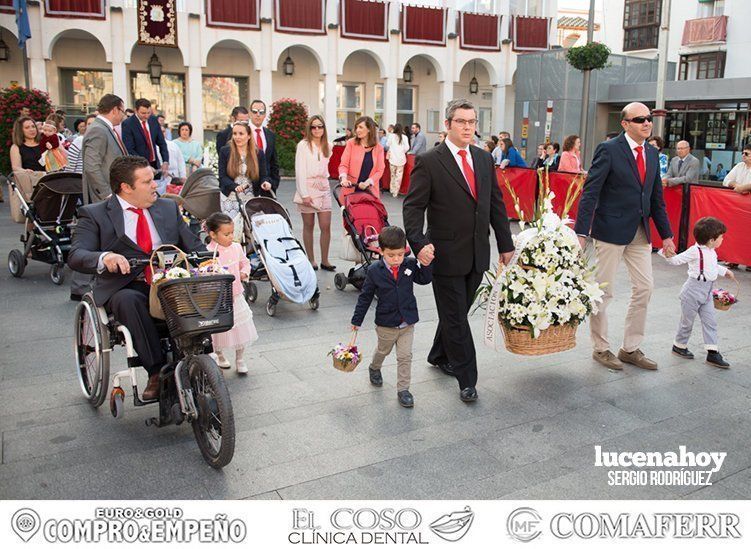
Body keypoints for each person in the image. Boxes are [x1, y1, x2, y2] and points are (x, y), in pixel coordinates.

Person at [403, 98, 514, 403]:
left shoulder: (483, 158)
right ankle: (468, 378)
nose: (468, 127)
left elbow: (495, 204)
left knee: (457, 312)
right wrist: (419, 243)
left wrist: (506, 245)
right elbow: (413, 207)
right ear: (448, 124)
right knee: (456, 318)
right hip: (445, 254)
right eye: (462, 122)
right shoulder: (429, 161)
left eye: (472, 122)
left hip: (477, 253)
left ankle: (439, 354)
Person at [68, 155, 205, 400]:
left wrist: (219, 257)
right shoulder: (95, 214)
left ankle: (200, 362)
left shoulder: (168, 207)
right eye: (147, 182)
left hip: (169, 281)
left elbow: (194, 246)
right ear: (126, 188)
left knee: (205, 291)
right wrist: (105, 257)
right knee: (128, 301)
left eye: (154, 179)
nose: (155, 186)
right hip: (126, 284)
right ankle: (156, 371)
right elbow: (77, 254)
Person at [574, 102, 675, 371]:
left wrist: (666, 235)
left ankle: (630, 348)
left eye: (649, 118)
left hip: (640, 232)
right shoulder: (608, 150)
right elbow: (590, 192)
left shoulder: (652, 154)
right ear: (625, 123)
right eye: (640, 119)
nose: (646, 123)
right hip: (610, 231)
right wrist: (581, 232)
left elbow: (656, 199)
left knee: (645, 288)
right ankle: (601, 347)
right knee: (603, 292)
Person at [350, 226, 433, 408]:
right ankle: (375, 367)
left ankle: (403, 389)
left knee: (405, 357)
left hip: (407, 323)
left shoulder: (409, 265)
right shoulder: (374, 270)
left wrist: (426, 264)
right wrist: (357, 320)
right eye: (391, 255)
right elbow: (365, 297)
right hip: (386, 323)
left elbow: (424, 279)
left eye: (400, 254)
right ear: (381, 251)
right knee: (383, 350)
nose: (396, 259)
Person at [658, 217, 734, 369]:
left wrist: (725, 271)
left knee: (710, 321)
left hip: (707, 291)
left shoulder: (711, 252)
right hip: (692, 291)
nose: (722, 239)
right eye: (721, 237)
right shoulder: (694, 251)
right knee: (687, 322)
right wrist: (666, 254)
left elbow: (712, 267)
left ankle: (712, 352)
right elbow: (677, 260)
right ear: (712, 240)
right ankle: (679, 345)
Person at [205, 212, 258, 374]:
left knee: (240, 328)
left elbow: (245, 262)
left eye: (232, 233)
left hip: (236, 295)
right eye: (226, 234)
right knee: (217, 330)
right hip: (218, 299)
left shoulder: (236, 247)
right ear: (212, 234)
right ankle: (220, 355)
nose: (230, 237)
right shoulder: (208, 251)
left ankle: (240, 358)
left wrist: (244, 272)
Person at [294, 115, 334, 271]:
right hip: (307, 187)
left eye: (320, 126)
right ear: (309, 129)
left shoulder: (328, 146)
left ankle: (325, 260)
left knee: (326, 225)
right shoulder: (303, 145)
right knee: (308, 225)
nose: (317, 129)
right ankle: (311, 259)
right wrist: (304, 193)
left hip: (323, 187)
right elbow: (300, 170)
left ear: (324, 128)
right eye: (314, 127)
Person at [81, 93, 128, 204]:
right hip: (104, 199)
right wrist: (107, 194)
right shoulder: (98, 130)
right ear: (115, 110)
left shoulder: (105, 128)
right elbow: (91, 166)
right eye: (123, 112)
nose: (123, 116)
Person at [218, 121, 269, 218]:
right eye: (235, 134)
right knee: (233, 230)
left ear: (249, 136)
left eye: (241, 134)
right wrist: (234, 186)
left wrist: (265, 182)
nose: (237, 137)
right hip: (230, 198)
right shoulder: (225, 151)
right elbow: (222, 176)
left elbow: (263, 175)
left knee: (251, 230)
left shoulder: (258, 153)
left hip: (251, 198)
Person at [121, 98, 169, 178]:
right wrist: (145, 165)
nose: (146, 116)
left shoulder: (153, 120)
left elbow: (161, 143)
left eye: (148, 113)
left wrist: (165, 161)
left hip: (155, 164)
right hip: (139, 166)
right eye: (143, 113)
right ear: (136, 110)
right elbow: (129, 149)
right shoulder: (128, 124)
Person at [338, 116, 385, 198]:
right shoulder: (351, 143)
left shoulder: (379, 148)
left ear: (369, 129)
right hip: (351, 188)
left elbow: (380, 170)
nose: (357, 130)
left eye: (360, 127)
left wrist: (368, 182)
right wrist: (344, 178)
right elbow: (344, 164)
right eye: (356, 127)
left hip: (369, 191)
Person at [249, 99, 281, 195]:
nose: (258, 114)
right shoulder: (242, 133)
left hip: (267, 186)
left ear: (265, 115)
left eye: (261, 112)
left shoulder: (270, 135)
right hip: (247, 187)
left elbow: (274, 162)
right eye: (255, 111)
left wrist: (274, 182)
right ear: (250, 113)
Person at [386, 123, 410, 197]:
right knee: (399, 176)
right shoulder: (405, 137)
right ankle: (395, 192)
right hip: (401, 159)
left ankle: (392, 189)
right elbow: (407, 148)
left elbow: (387, 144)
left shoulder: (391, 136)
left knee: (392, 175)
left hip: (392, 158)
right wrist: (402, 151)